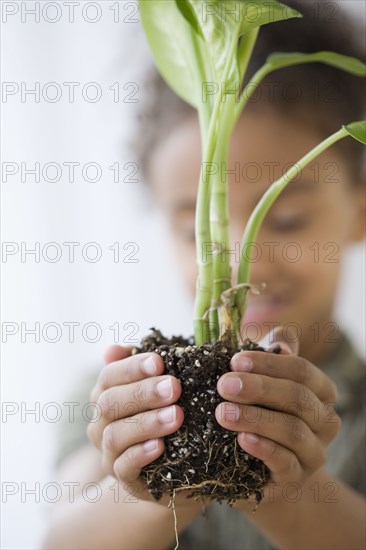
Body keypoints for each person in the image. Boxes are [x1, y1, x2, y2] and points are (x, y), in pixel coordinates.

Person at [42, 2, 366, 549]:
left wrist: (288, 489)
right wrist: (148, 474)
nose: (245, 263)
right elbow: (64, 538)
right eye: (198, 227)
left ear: (361, 210)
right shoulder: (122, 394)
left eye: (284, 220)